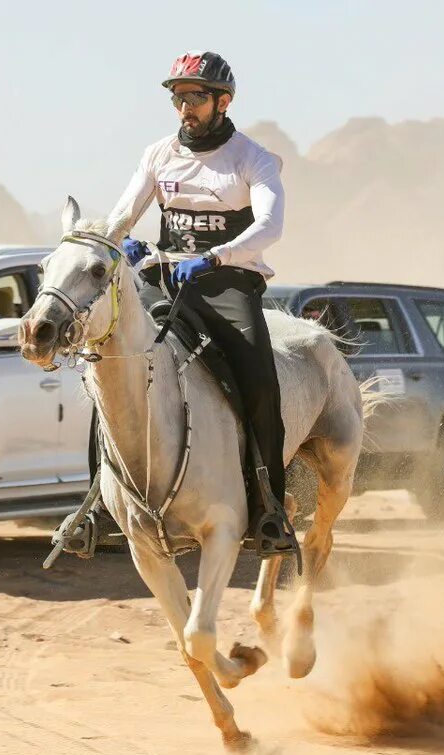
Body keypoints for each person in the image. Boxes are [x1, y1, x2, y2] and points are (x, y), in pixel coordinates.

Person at [64, 50, 291, 553]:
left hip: (228, 284)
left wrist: (215, 257)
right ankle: (96, 507)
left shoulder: (252, 159)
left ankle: (270, 508)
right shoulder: (158, 154)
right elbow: (123, 215)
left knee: (259, 380)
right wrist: (122, 243)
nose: (185, 107)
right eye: (179, 97)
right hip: (165, 280)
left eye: (195, 97)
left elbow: (270, 226)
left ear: (223, 102)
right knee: (102, 369)